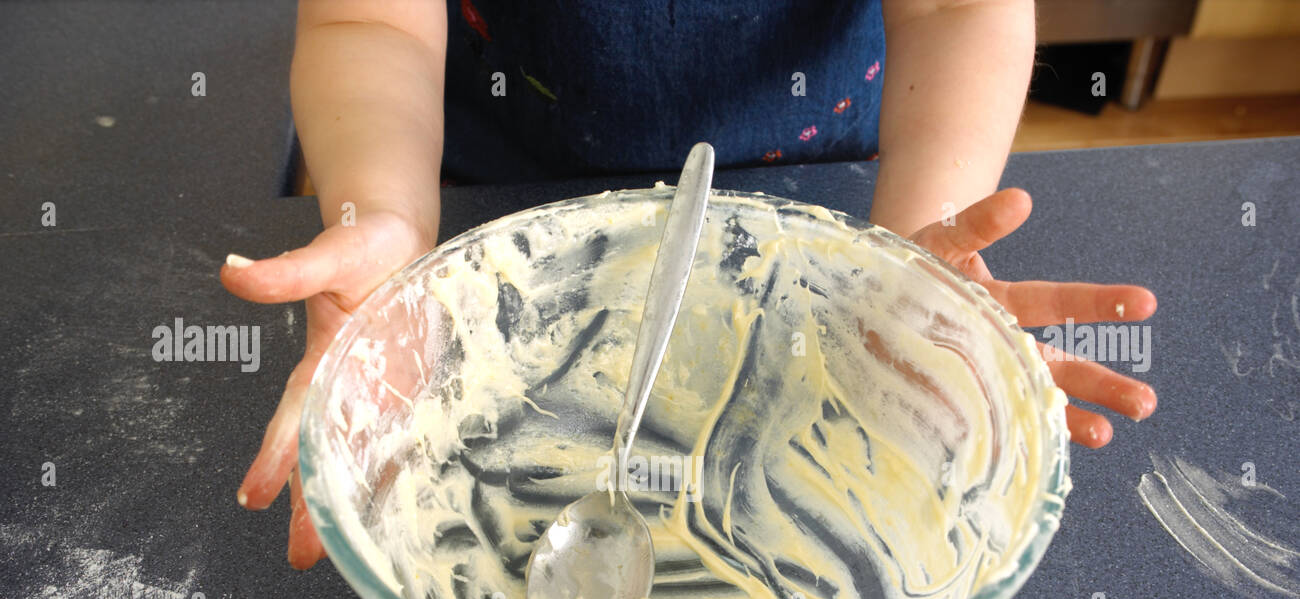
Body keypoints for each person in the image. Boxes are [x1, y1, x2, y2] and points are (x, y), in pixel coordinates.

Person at [222, 0, 1158, 568]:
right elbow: (369, 19)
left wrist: (913, 259)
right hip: (489, 212)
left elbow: (957, 12)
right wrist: (381, 217)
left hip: (832, 199)